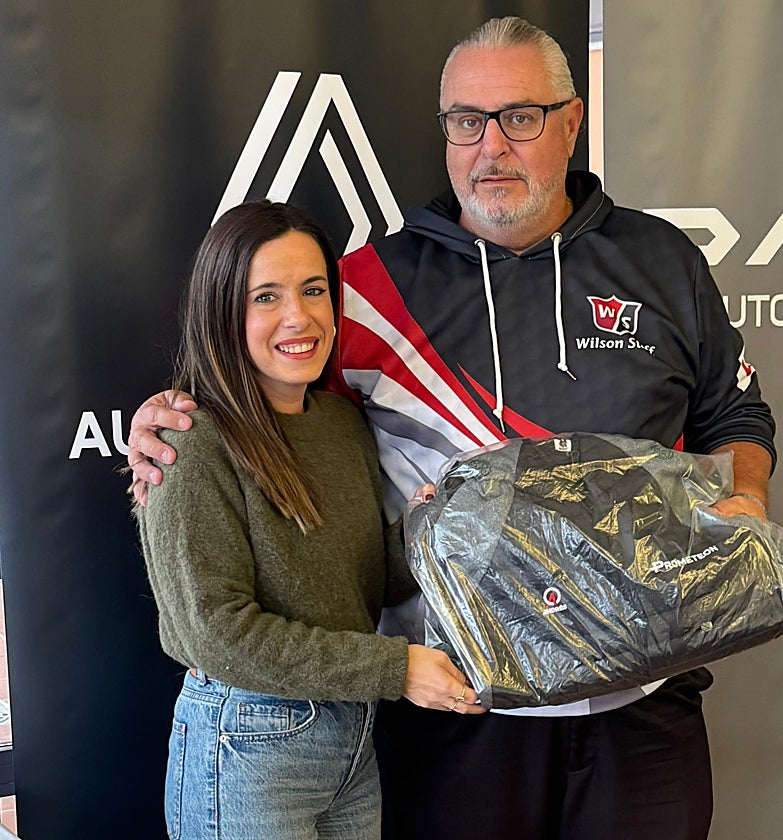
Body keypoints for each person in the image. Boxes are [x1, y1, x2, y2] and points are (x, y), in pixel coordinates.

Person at [130, 17, 775, 840]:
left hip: (643, 694)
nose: (491, 147)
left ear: (571, 122)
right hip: (460, 701)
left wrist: (746, 494)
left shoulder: (663, 261)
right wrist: (169, 419)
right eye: (467, 122)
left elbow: (736, 412)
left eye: (520, 118)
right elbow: (264, 394)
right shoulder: (364, 287)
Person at [136, 200, 483, 840]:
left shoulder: (341, 424)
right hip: (248, 744)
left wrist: (434, 532)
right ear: (223, 311)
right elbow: (216, 634)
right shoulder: (191, 441)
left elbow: (368, 584)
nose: (299, 317)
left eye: (314, 289)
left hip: (349, 737)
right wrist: (396, 668)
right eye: (265, 296)